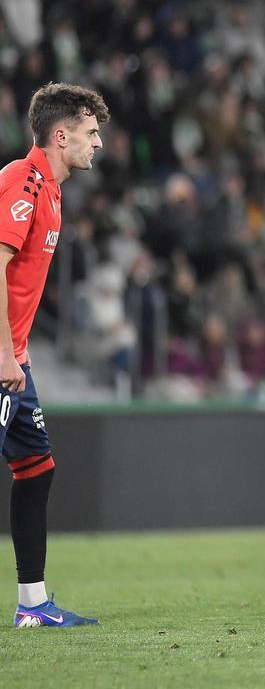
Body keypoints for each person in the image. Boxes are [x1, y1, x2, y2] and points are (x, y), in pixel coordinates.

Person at [1, 83, 109, 627]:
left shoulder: (53, 190)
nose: (98, 144)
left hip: (16, 359)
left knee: (36, 468)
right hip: (1, 359)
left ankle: (32, 605)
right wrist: (3, 353)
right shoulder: (22, 180)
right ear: (60, 136)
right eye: (91, 134)